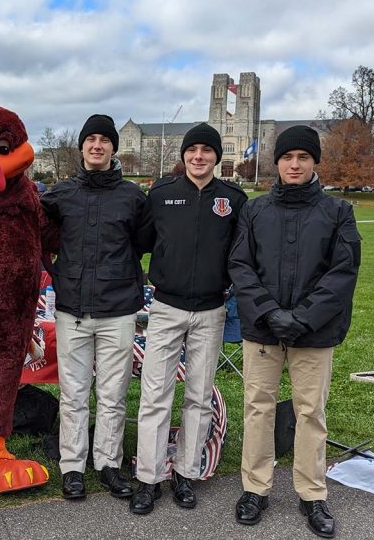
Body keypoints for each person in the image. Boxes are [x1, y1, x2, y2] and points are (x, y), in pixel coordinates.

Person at [228, 125, 361, 538]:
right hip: (263, 330)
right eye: (288, 157)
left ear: (314, 162)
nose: (295, 164)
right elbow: (240, 266)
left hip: (314, 332)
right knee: (258, 409)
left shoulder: (338, 212)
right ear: (278, 162)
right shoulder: (255, 209)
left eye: (303, 157)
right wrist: (269, 312)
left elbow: (343, 272)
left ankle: (312, 492)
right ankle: (255, 487)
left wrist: (302, 317)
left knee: (310, 413)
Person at [131, 123, 247, 514]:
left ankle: (185, 472)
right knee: (155, 395)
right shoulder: (162, 194)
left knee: (198, 396)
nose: (199, 156)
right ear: (183, 155)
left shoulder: (233, 198)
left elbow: (240, 253)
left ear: (217, 155)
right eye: (192, 150)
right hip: (166, 308)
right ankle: (148, 477)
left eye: (207, 150)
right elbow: (142, 243)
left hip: (212, 310)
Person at [41, 114, 149, 502]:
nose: (97, 145)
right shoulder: (61, 194)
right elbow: (36, 233)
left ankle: (108, 463)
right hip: (72, 309)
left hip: (117, 310)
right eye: (91, 139)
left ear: (113, 148)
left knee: (113, 392)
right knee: (73, 392)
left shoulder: (133, 197)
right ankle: (72, 466)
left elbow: (141, 244)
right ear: (83, 146)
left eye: (105, 140)